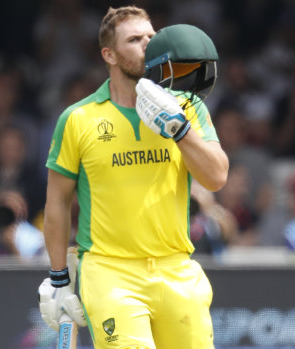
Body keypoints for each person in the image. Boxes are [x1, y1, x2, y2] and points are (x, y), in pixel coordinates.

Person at [38, 6, 228, 349]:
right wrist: (58, 280)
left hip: (177, 269)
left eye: (151, 37)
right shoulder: (78, 118)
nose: (148, 46)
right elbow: (57, 202)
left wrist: (179, 129)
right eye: (135, 39)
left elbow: (216, 177)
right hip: (110, 272)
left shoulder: (187, 106)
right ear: (109, 55)